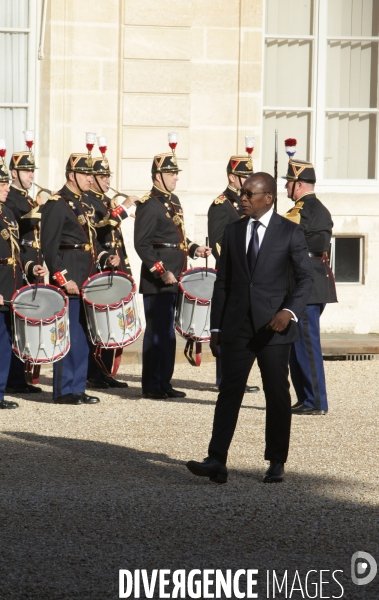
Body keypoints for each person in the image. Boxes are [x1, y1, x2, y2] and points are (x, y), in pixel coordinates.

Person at [186, 172, 314, 484]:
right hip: (237, 327)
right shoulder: (233, 231)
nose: (242, 198)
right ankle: (216, 458)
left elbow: (306, 279)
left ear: (268, 197)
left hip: (274, 327)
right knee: (229, 391)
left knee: (276, 392)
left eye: (248, 193)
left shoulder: (289, 232)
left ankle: (276, 460)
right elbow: (224, 283)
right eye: (242, 193)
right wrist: (215, 328)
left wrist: (288, 311)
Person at [41, 152, 120, 405]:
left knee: (85, 335)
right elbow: (49, 248)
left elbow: (92, 241)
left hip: (87, 280)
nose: (90, 178)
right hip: (69, 280)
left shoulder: (84, 203)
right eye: (85, 174)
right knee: (67, 335)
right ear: (71, 176)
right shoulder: (56, 203)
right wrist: (63, 279)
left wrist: (106, 256)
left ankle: (78, 387)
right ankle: (64, 390)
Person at [134, 151, 211, 399]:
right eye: (170, 173)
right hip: (159, 280)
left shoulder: (173, 200)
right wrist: (161, 271)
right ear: (158, 176)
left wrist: (194, 248)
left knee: (168, 334)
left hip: (176, 276)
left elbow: (176, 238)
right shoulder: (149, 204)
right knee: (157, 332)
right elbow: (142, 243)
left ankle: (164, 383)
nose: (176, 177)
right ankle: (152, 385)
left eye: (176, 173)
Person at [283, 159, 337, 415]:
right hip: (313, 281)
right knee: (297, 344)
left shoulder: (302, 210)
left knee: (306, 344)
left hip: (306, 284)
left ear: (299, 185)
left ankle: (316, 401)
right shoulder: (318, 208)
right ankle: (305, 397)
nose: (285, 187)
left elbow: (282, 241)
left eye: (288, 182)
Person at [84, 151, 138, 389]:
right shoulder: (88, 201)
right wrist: (123, 210)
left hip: (116, 268)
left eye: (108, 176)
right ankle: (94, 372)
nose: (107, 181)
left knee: (113, 322)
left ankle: (105, 371)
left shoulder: (105, 201)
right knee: (99, 323)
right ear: (92, 178)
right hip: (99, 268)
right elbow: (101, 231)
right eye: (102, 176)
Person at [208, 155, 259, 393]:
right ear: (232, 177)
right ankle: (225, 377)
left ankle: (239, 374)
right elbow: (219, 243)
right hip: (233, 274)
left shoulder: (248, 202)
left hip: (251, 273)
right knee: (229, 326)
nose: (249, 181)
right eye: (244, 177)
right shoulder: (222, 204)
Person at [0, 153, 45, 409]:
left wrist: (29, 266)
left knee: (6, 342)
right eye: (2, 184)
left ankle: (2, 391)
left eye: (7, 184)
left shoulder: (6, 212)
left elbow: (16, 250)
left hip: (11, 283)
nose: (7, 188)